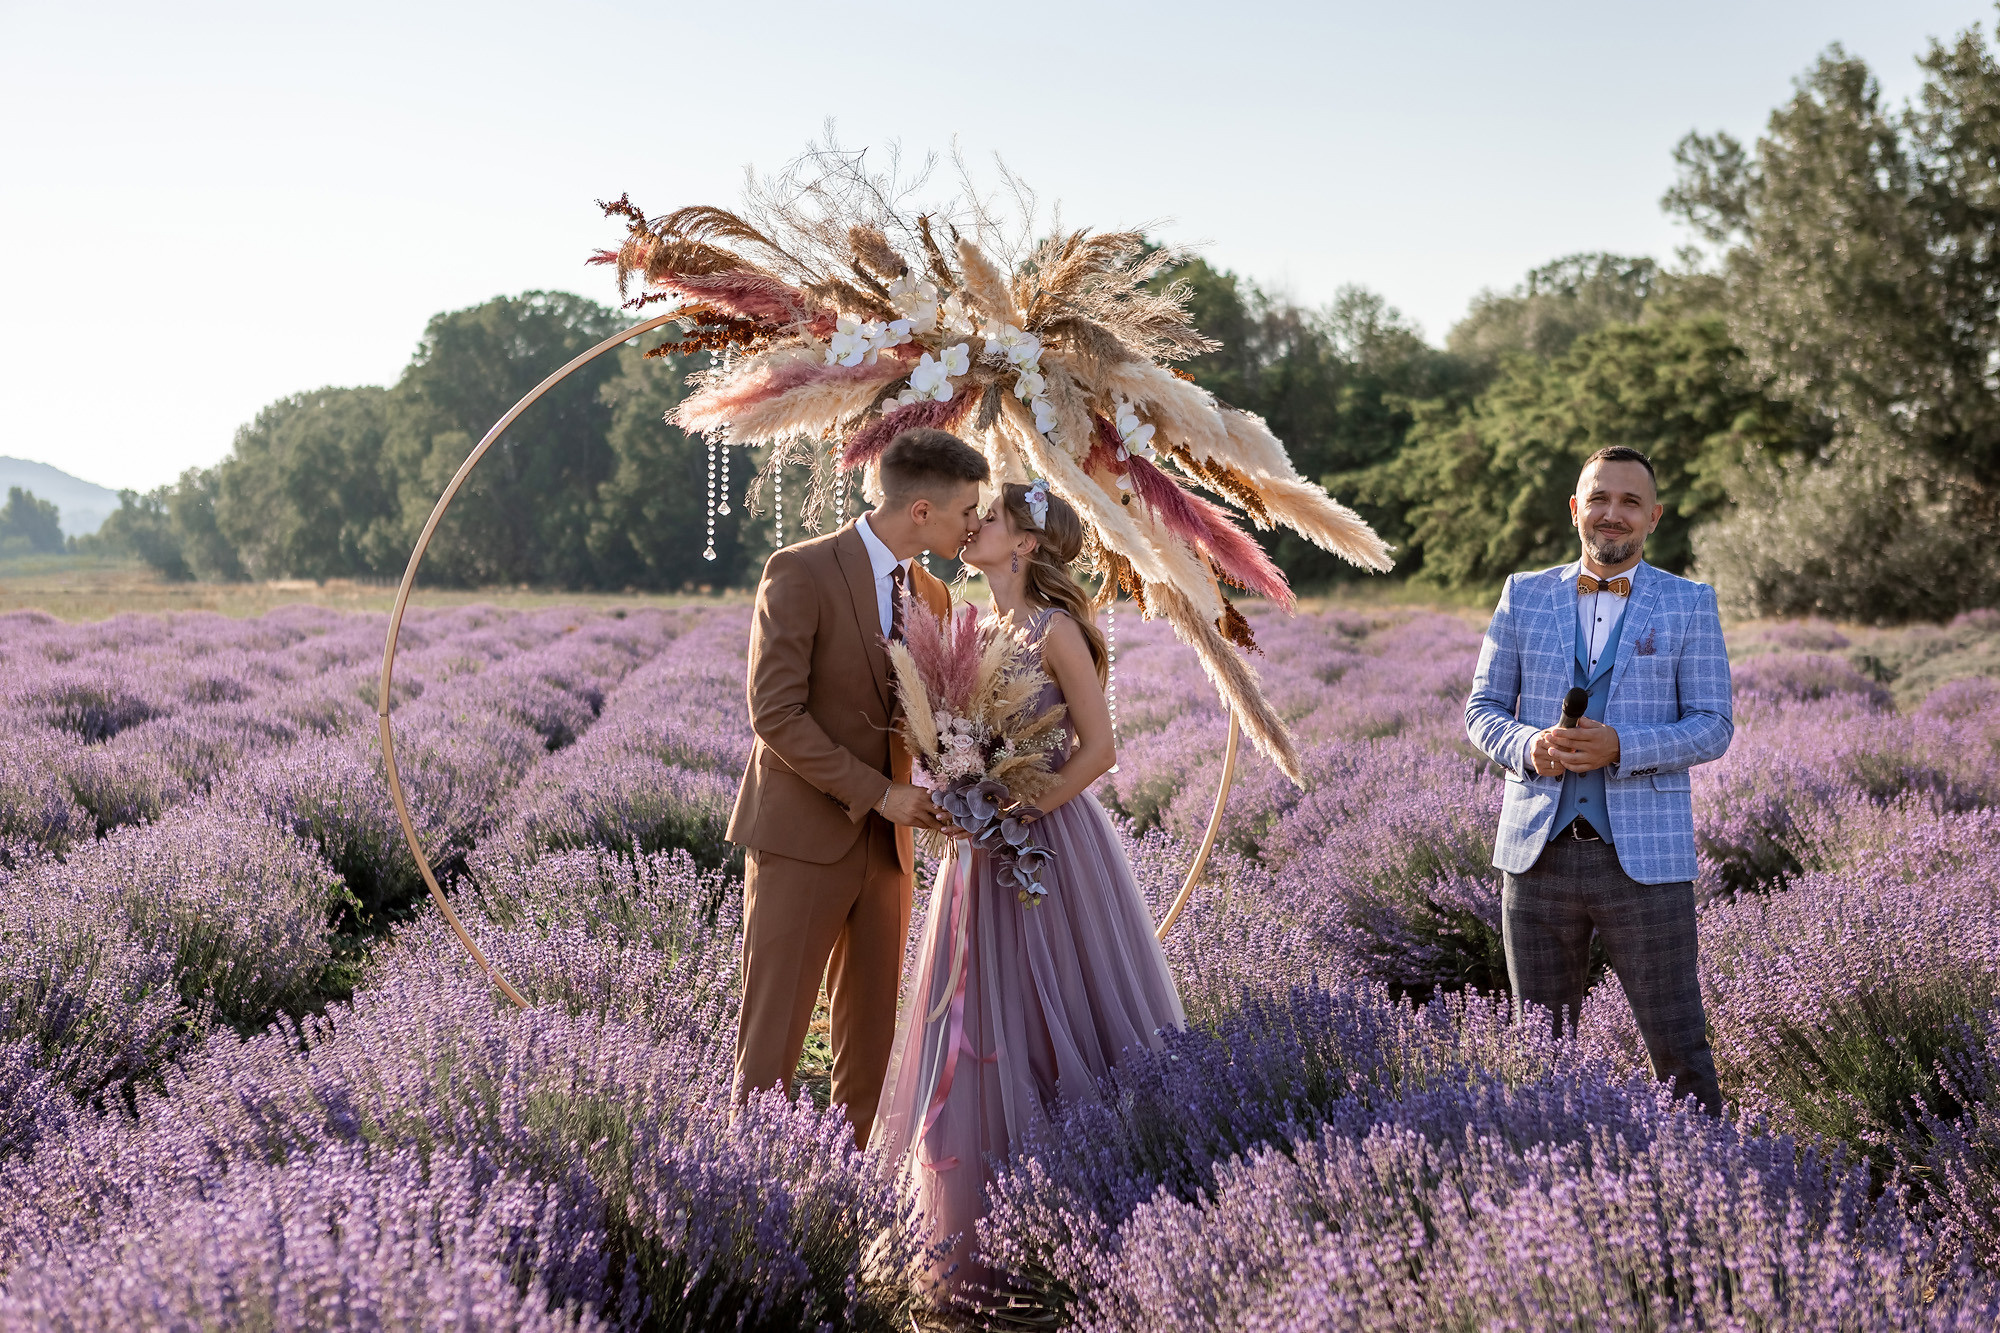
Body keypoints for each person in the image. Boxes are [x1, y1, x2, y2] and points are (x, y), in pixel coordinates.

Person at [872, 479, 1186, 1295]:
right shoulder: (978, 626)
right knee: (982, 1014)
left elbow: (1100, 748)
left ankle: (1103, 1222)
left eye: (993, 518)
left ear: (1026, 544)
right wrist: (958, 786)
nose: (975, 525)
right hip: (983, 851)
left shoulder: (1056, 630)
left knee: (1062, 1006)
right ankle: (985, 1235)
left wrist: (1024, 807)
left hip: (1050, 845)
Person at [728, 428, 989, 1146]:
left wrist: (970, 783)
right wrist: (879, 793)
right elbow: (775, 714)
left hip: (890, 850)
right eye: (968, 510)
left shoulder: (933, 592)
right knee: (772, 1044)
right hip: (800, 840)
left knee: (871, 1044)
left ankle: (850, 1189)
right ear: (922, 511)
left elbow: (934, 718)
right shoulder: (800, 569)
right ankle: (745, 1183)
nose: (975, 525)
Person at [1464, 445, 1732, 1115]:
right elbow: (1482, 709)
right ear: (1575, 508)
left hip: (1647, 861)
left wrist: (1622, 746)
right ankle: (1551, 1171)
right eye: (1600, 498)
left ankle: (1711, 1167)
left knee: (1679, 1049)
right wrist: (1529, 746)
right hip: (1536, 858)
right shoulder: (1523, 594)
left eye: (1630, 501)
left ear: (1654, 516)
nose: (1613, 513)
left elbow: (1713, 725)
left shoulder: (1689, 603)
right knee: (1540, 1055)